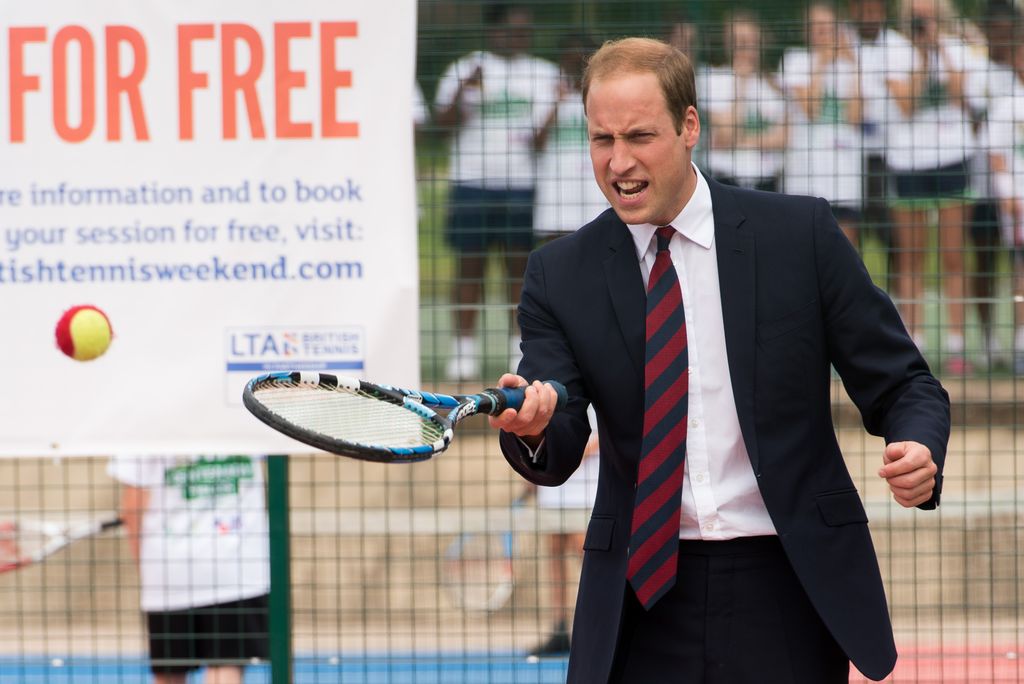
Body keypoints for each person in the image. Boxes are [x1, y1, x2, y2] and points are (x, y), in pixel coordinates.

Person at [488, 37, 950, 683]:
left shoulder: (801, 236)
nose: (619, 161)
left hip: (789, 582)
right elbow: (558, 429)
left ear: (689, 126)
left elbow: (903, 383)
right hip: (638, 599)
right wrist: (535, 424)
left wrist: (919, 447)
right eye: (601, 139)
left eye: (640, 136)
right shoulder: (557, 275)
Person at [433, 3, 559, 380]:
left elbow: (540, 140)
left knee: (517, 271)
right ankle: (463, 351)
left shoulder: (542, 72)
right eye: (512, 30)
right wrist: (463, 91)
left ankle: (516, 347)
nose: (520, 37)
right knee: (468, 270)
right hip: (471, 181)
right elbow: (440, 126)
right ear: (494, 32)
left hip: (520, 184)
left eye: (526, 30)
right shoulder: (465, 67)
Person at [109, 455, 271, 684]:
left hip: (171, 572)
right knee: (226, 666)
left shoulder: (138, 425)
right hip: (236, 571)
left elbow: (132, 507)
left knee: (170, 672)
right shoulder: (256, 419)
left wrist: (147, 569)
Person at [885, 0, 977, 374]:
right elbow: (906, 103)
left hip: (953, 156)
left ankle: (957, 345)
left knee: (954, 254)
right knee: (912, 256)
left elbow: (958, 92)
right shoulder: (893, 48)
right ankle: (914, 341)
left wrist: (939, 46)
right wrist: (922, 57)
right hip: (908, 161)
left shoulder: (956, 47)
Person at [781, 2, 866, 246]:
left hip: (844, 174)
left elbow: (855, 116)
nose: (823, 32)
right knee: (803, 250)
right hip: (806, 177)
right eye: (817, 26)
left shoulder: (851, 65)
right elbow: (811, 109)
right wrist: (821, 63)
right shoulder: (795, 60)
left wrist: (854, 64)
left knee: (846, 250)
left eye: (827, 26)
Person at [526, 407, 599, 659]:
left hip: (585, 489)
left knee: (588, 556)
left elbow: (604, 436)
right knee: (554, 555)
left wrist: (566, 457)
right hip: (552, 488)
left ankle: (599, 627)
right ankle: (559, 630)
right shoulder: (528, 370)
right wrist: (533, 475)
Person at [847, 0, 910, 289]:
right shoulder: (843, 43)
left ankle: (895, 299)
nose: (868, 16)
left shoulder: (899, 46)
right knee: (851, 234)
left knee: (894, 236)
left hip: (891, 155)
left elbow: (907, 103)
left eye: (873, 10)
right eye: (863, 10)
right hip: (851, 157)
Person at [704, 12, 788, 192]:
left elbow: (783, 138)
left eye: (751, 41)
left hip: (766, 180)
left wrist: (742, 141)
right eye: (739, 41)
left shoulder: (774, 84)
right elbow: (726, 135)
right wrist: (741, 85)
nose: (745, 48)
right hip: (726, 179)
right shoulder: (714, 80)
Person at [984, 22, 1024, 375]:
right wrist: (1009, 193)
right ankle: (1021, 343)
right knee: (1021, 272)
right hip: (1018, 202)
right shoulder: (1007, 103)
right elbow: (995, 154)